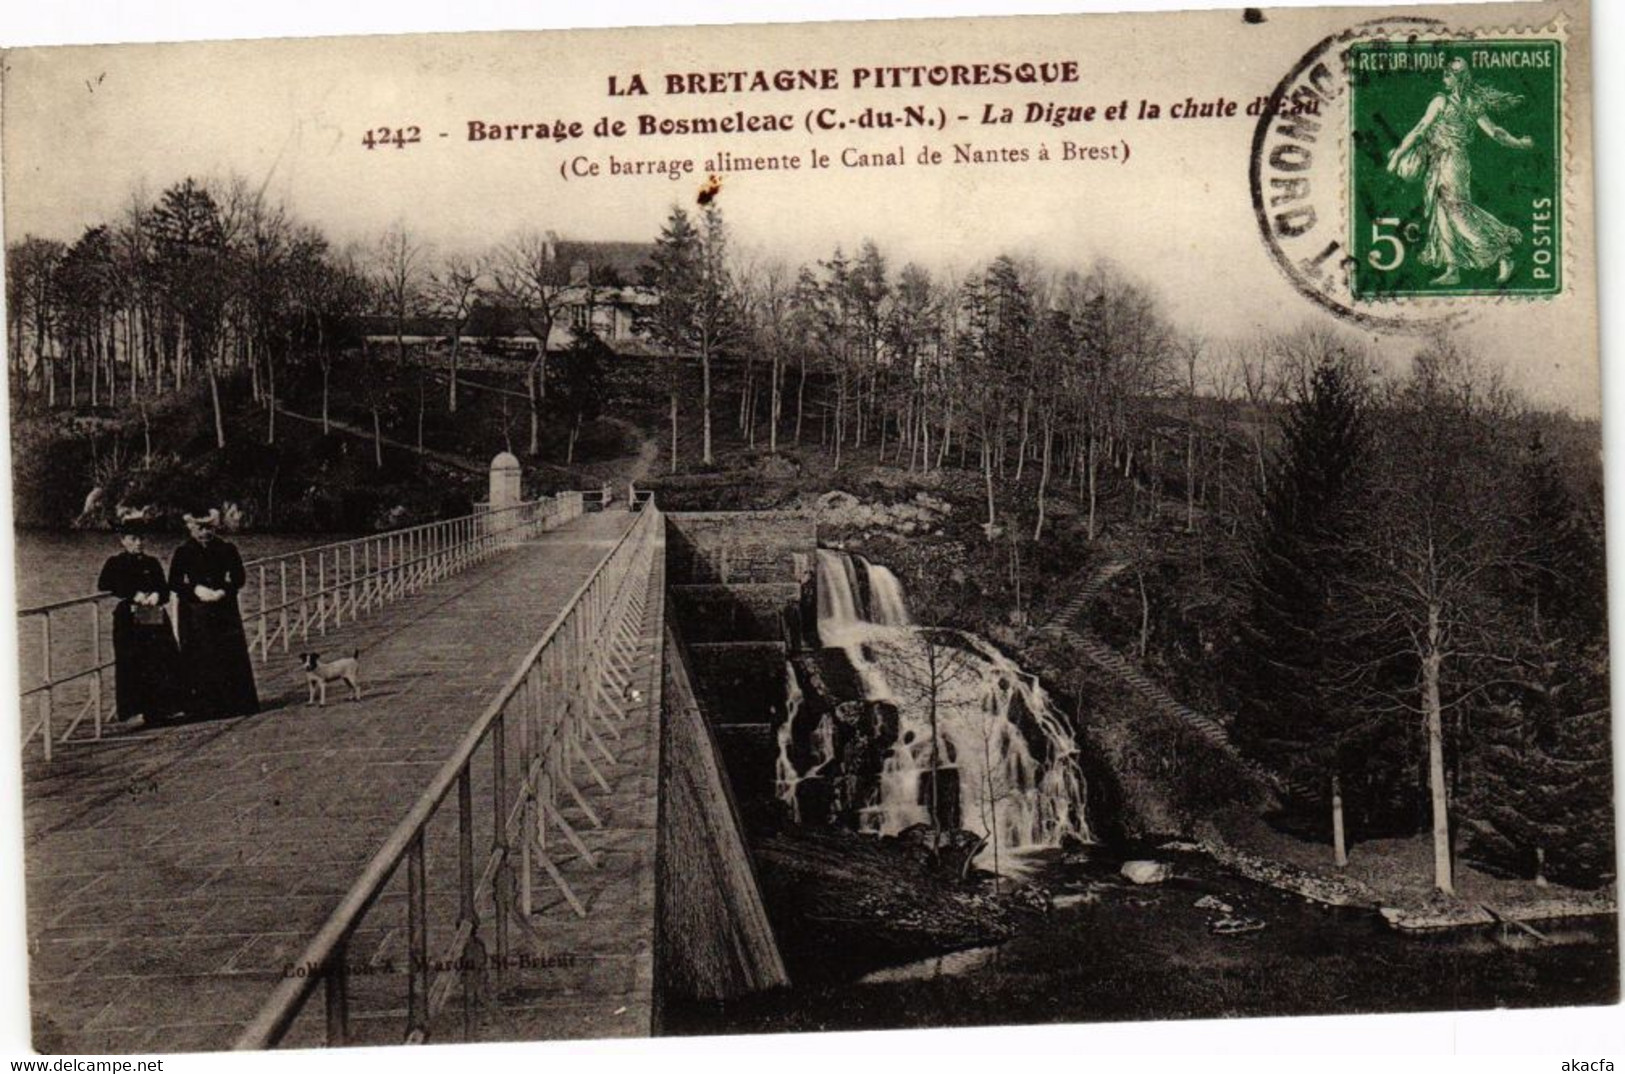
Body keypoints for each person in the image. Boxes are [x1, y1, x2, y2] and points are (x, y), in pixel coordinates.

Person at [1385, 57, 1535, 286]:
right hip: (1445, 161)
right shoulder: (1471, 102)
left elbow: (1419, 130)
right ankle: (1452, 269)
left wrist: (1396, 156)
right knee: (1442, 212)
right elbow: (1496, 132)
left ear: (1458, 78)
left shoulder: (1441, 101)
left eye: (1448, 75)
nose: (1444, 78)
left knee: (1456, 210)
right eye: (1444, 74)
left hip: (1451, 161)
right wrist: (1519, 143)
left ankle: (1502, 253)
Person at [168, 507, 260, 719]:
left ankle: (233, 703)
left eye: (208, 528)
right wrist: (195, 590)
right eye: (200, 528)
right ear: (191, 528)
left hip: (223, 608)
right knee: (199, 656)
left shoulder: (227, 548)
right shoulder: (183, 551)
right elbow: (174, 582)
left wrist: (223, 591)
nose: (205, 533)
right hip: (195, 611)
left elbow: (239, 577)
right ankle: (203, 707)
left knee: (228, 654)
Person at [96, 520, 186, 727]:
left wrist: (156, 595)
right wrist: (132, 594)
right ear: (123, 541)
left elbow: (164, 589)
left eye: (140, 539)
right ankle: (132, 712)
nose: (138, 543)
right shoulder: (115, 563)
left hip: (151, 613)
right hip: (129, 616)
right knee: (131, 662)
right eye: (133, 539)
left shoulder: (152, 563)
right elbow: (105, 584)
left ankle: (164, 708)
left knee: (161, 658)